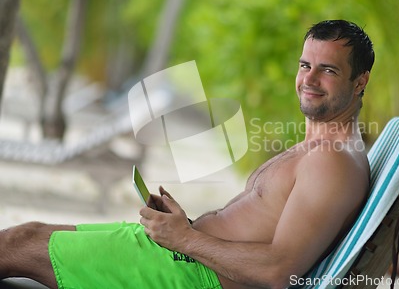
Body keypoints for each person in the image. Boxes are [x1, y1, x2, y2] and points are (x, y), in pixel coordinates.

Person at [0, 19, 374, 289]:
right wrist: (183, 227)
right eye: (305, 65)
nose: (309, 80)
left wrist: (185, 239)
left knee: (19, 243)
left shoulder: (332, 162)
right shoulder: (319, 150)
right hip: (182, 256)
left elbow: (279, 271)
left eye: (327, 70)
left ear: (360, 81)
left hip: (187, 274)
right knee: (27, 236)